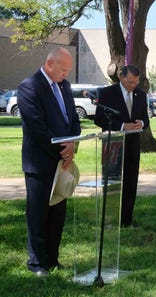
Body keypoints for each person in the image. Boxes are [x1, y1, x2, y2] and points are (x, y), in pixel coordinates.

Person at [18, 47, 81, 277]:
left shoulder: (64, 86)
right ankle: (37, 263)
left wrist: (73, 143)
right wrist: (61, 150)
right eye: (63, 70)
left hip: (63, 162)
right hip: (40, 162)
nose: (66, 74)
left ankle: (52, 258)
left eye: (68, 71)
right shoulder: (29, 86)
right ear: (50, 64)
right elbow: (36, 127)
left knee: (57, 213)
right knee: (38, 213)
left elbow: (73, 118)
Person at [94, 64, 149, 228]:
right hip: (113, 144)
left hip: (133, 144)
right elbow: (99, 119)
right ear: (121, 77)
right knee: (112, 182)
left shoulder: (141, 94)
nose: (133, 86)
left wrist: (142, 123)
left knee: (131, 182)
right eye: (130, 82)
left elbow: (146, 118)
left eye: (136, 82)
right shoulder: (107, 93)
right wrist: (122, 126)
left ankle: (126, 220)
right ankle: (110, 221)